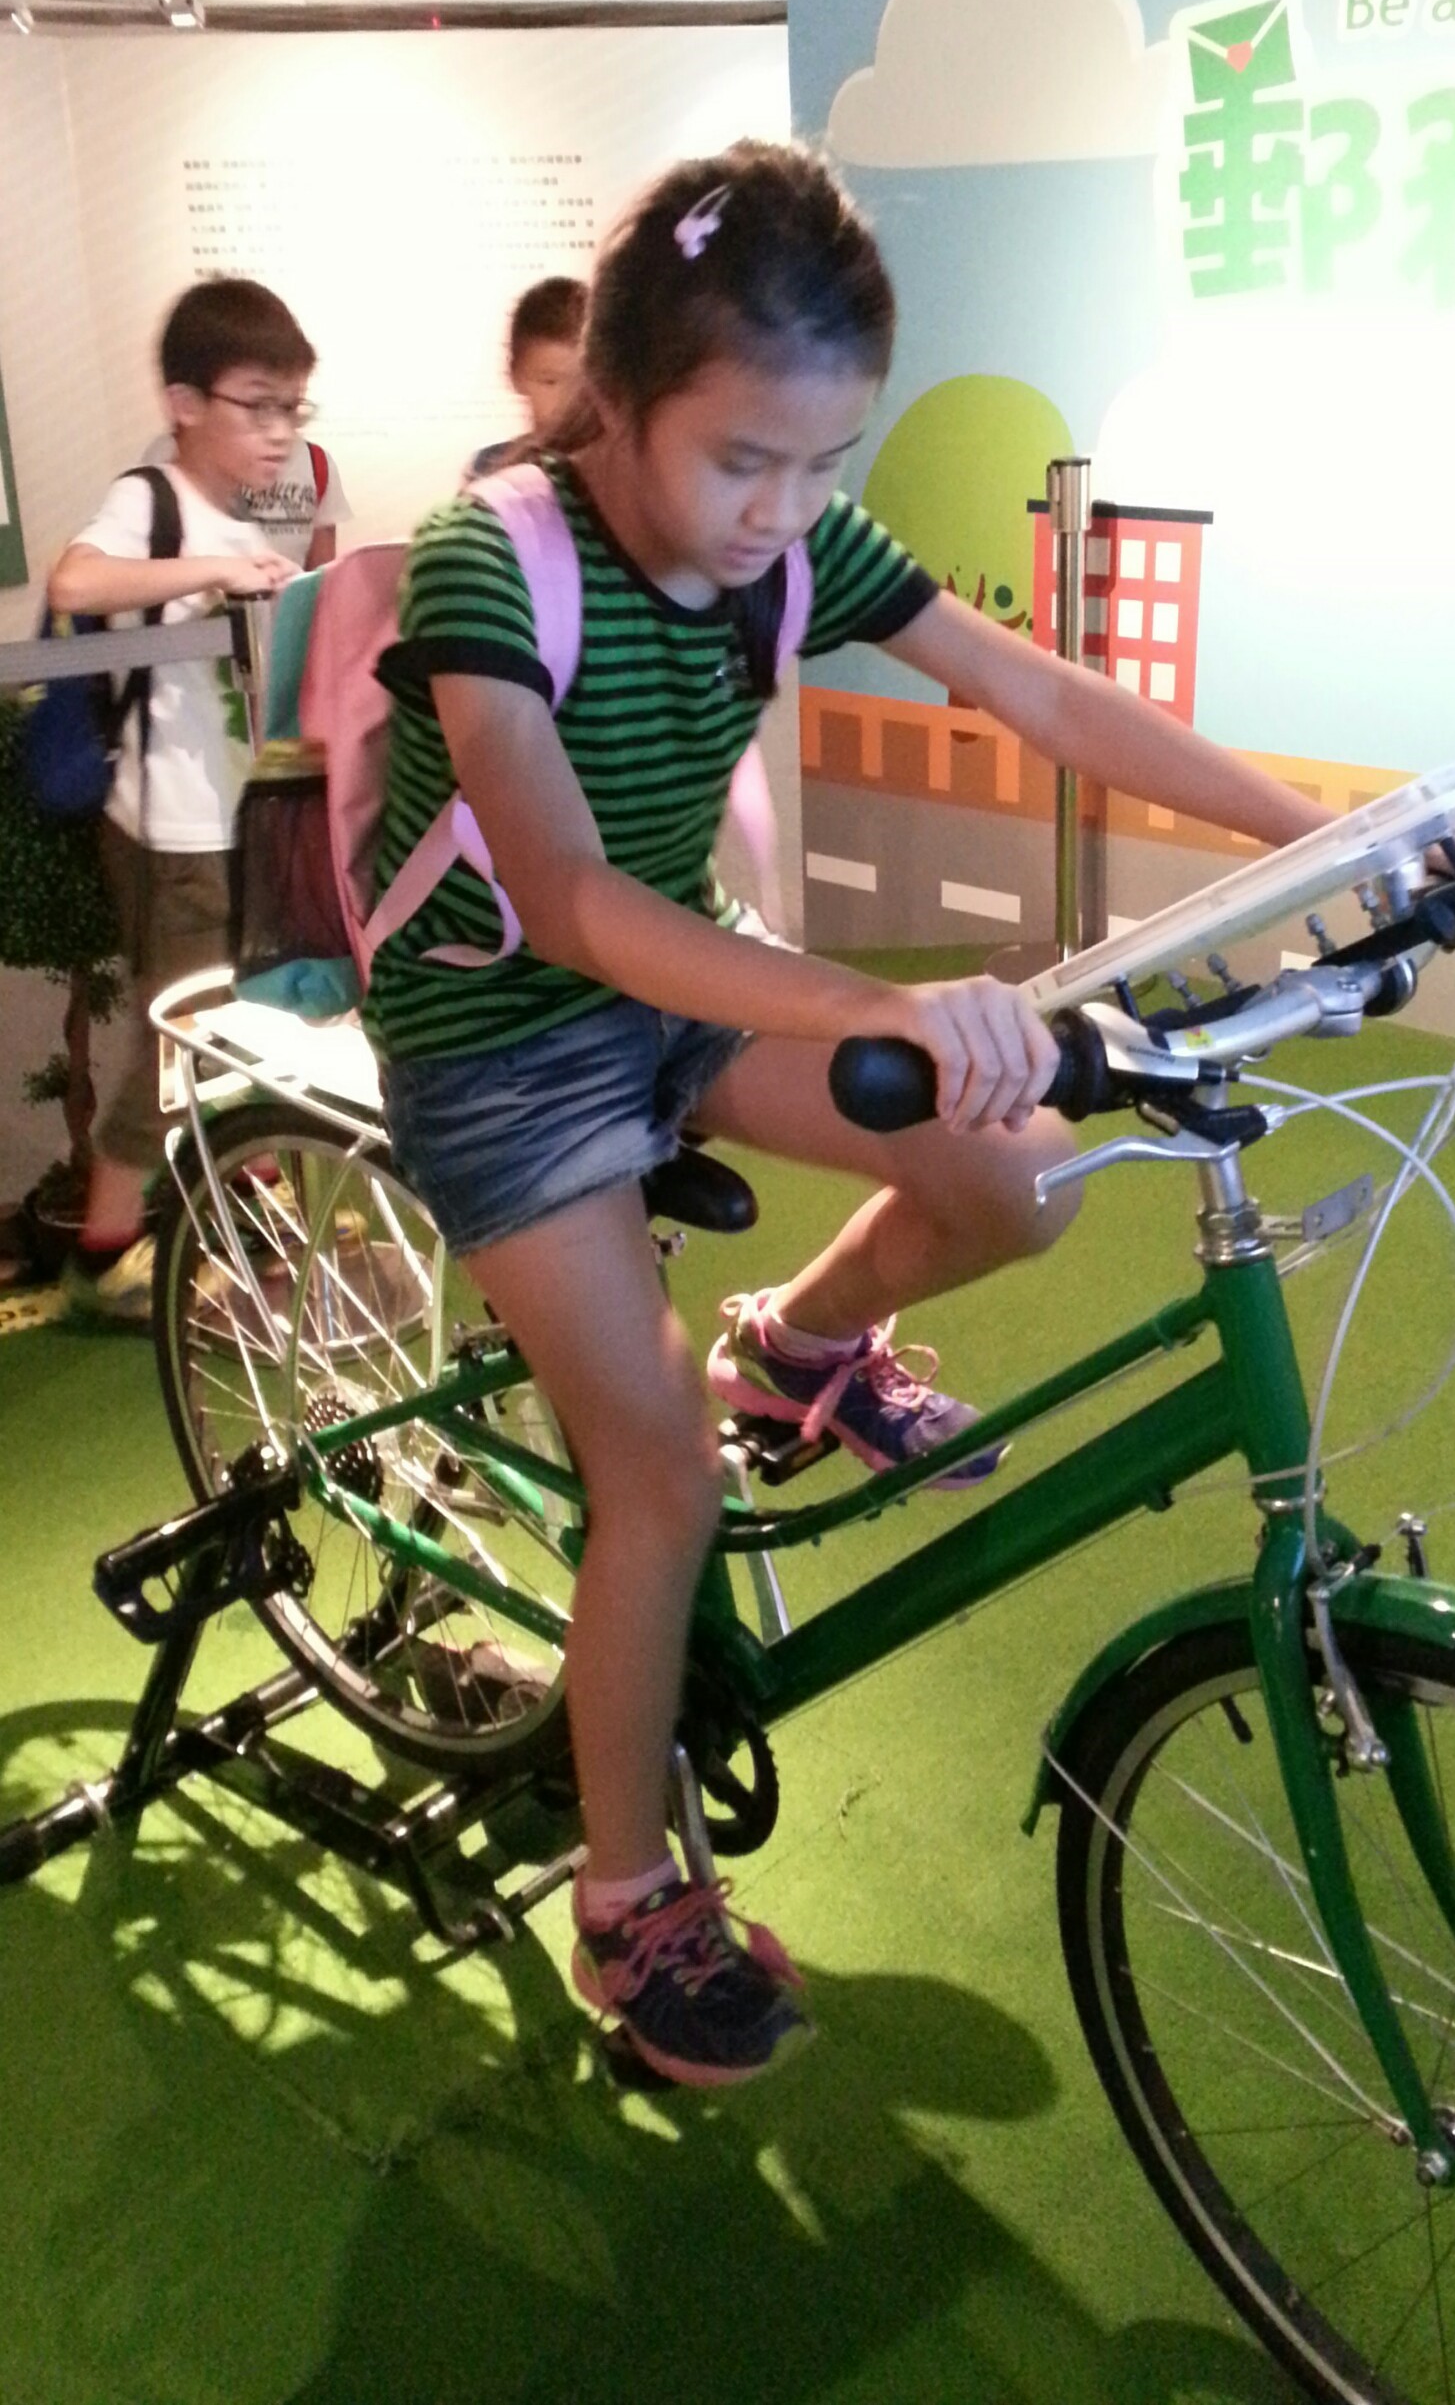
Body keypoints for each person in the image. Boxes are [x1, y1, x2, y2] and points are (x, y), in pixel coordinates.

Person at [366, 142, 1329, 2091]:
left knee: (1020, 1179)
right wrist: (880, 1000)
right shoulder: (493, 559)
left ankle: (799, 1347)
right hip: (507, 1044)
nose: (786, 514)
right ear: (615, 396)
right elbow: (570, 900)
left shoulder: (791, 537)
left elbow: (1041, 695)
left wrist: (1318, 837)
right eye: (745, 460)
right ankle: (627, 1901)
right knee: (658, 1478)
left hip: (687, 988)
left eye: (825, 464)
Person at [48, 277, 309, 1322]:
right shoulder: (149, 500)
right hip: (174, 831)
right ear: (184, 403)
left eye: (293, 407)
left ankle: (261, 1218)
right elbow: (73, 585)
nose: (281, 431)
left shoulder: (242, 510)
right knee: (180, 1043)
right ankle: (106, 1253)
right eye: (259, 404)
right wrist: (216, 571)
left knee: (244, 1023)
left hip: (237, 819)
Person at [141, 415, 350, 566]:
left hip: (285, 611)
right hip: (197, 611)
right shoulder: (169, 452)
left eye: (290, 405)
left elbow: (321, 580)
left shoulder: (317, 462)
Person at [465, 273, 588, 479]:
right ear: (515, 375)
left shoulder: (612, 472)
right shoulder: (489, 468)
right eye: (550, 382)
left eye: (582, 383)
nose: (567, 400)